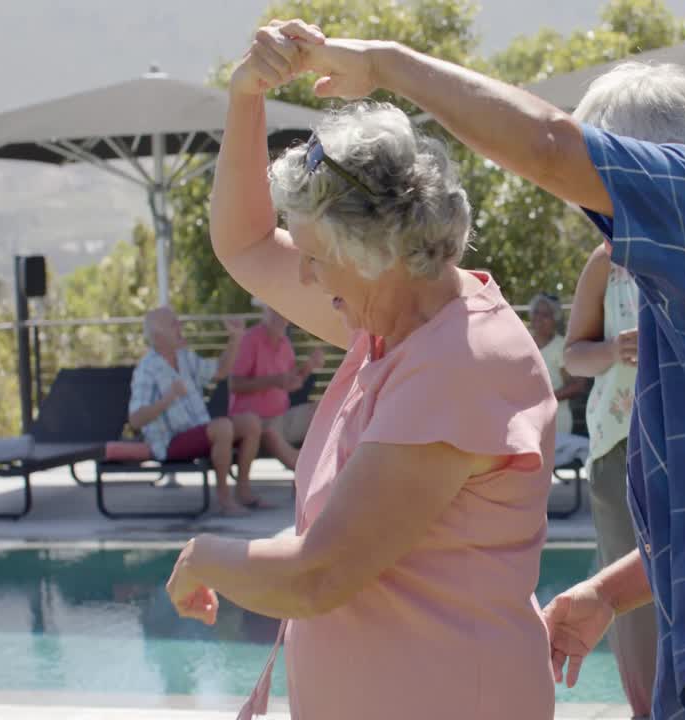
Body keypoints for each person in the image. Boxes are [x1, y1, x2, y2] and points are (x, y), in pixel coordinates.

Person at [260, 22, 685, 719]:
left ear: (652, 169)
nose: (603, 230)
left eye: (602, 202)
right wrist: (608, 592)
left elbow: (548, 146)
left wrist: (384, 63)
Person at [164, 21, 558, 720]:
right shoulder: (389, 320)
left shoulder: (461, 364)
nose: (305, 276)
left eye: (316, 255)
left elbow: (320, 575)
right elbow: (247, 241)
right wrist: (245, 95)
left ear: (380, 249)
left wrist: (201, 556)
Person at [563, 244, 655, 718]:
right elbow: (573, 358)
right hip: (620, 442)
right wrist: (612, 350)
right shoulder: (604, 261)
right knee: (629, 597)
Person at [129, 306, 266, 516]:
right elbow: (136, 420)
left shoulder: (184, 357)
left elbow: (220, 371)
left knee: (251, 423)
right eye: (174, 323)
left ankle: (243, 491)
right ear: (158, 336)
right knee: (223, 427)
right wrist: (167, 399)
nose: (180, 326)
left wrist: (236, 338)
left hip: (200, 431)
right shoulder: (146, 370)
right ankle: (225, 500)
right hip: (171, 442)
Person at [228, 302, 325, 470]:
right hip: (256, 421)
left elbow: (291, 383)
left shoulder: (285, 344)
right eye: (275, 312)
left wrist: (310, 365)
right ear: (265, 312)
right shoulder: (250, 340)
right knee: (270, 433)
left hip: (280, 418)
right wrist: (273, 381)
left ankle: (314, 466)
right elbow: (234, 384)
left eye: (283, 313)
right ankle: (305, 470)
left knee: (322, 410)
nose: (281, 317)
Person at [529, 293, 589, 437]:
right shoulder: (523, 343)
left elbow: (578, 385)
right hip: (526, 418)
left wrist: (546, 399)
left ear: (555, 319)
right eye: (536, 312)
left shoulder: (562, 347)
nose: (539, 318)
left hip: (556, 421)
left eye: (546, 315)